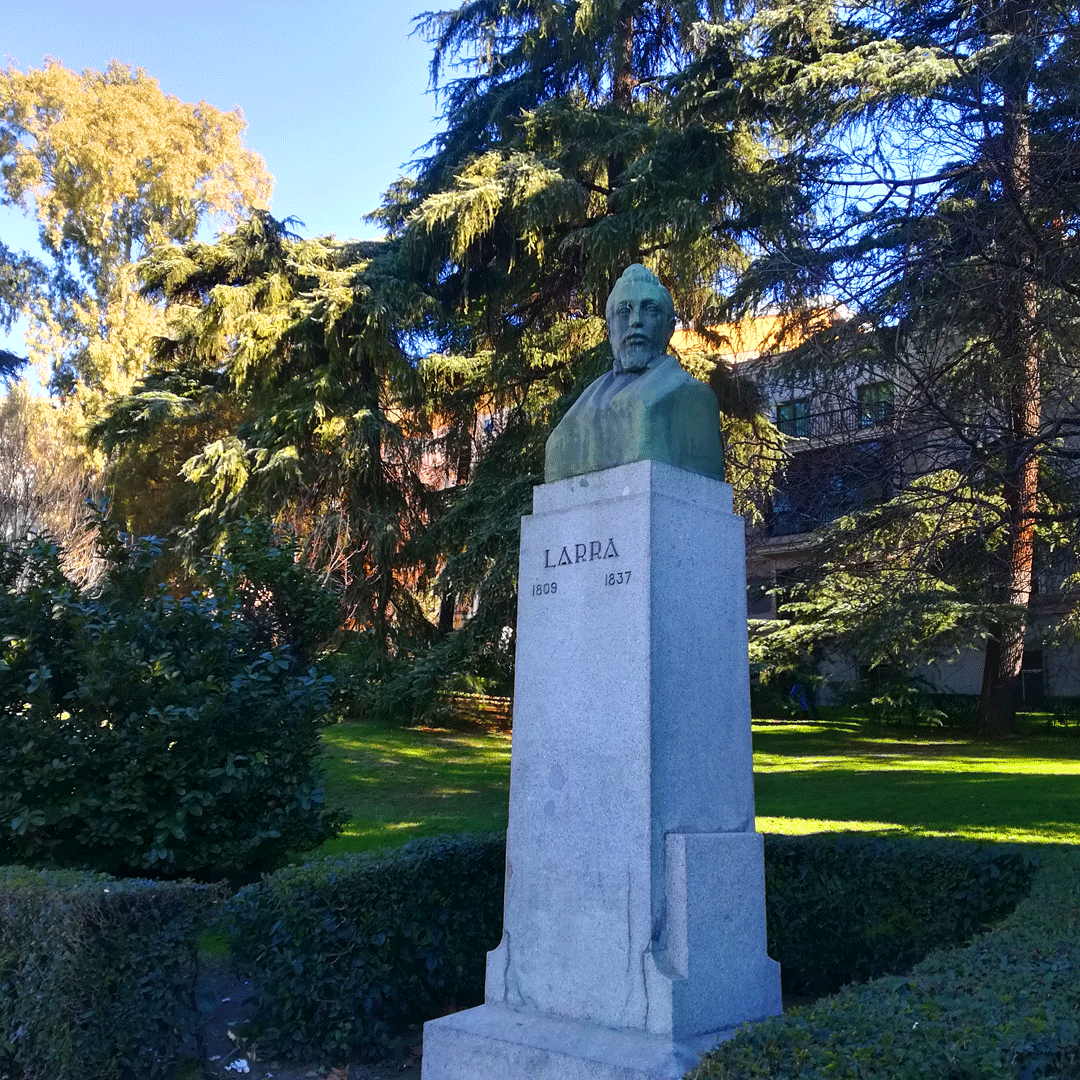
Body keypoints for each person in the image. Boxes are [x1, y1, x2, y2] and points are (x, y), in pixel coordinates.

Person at [544, 264, 724, 482]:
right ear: (610, 330)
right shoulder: (583, 406)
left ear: (669, 328)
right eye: (624, 311)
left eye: (650, 310)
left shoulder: (694, 397)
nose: (635, 321)